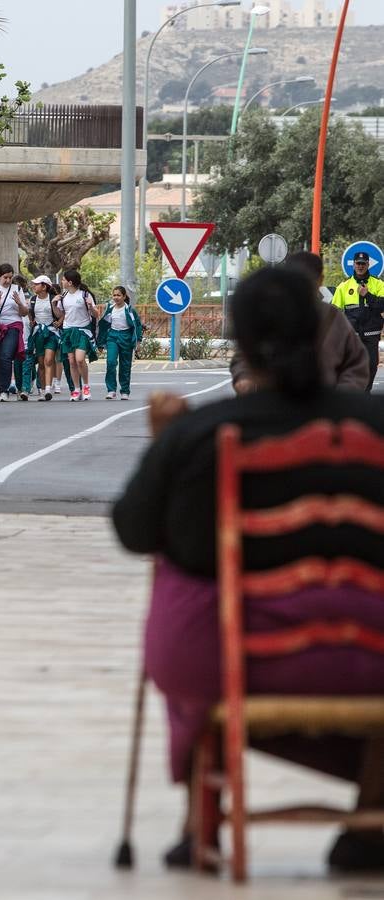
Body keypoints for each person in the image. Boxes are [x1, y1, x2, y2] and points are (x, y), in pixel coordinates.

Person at [113, 266, 384, 872]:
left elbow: (136, 532)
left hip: (235, 659)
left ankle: (202, 816)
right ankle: (372, 817)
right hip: (374, 656)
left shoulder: (203, 434)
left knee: (182, 580)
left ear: (238, 342)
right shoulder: (377, 430)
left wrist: (164, 446)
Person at [232, 252, 369, 394]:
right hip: (271, 404)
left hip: (322, 406)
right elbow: (244, 353)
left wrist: (340, 398)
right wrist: (244, 379)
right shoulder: (266, 310)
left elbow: (355, 364)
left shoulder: (332, 316)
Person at [332, 250, 384, 392]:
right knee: (352, 368)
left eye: (363, 263)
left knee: (371, 366)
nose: (360, 266)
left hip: (371, 335)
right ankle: (355, 396)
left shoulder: (378, 284)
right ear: (353, 265)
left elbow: (382, 304)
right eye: (358, 263)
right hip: (352, 336)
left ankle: (364, 394)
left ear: (368, 264)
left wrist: (367, 295)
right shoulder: (344, 286)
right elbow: (334, 311)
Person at [0, 264, 29, 402]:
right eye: (5, 277)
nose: (8, 280)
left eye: (10, 277)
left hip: (12, 326)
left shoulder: (18, 289)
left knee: (6, 356)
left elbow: (24, 313)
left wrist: (19, 303)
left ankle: (4, 390)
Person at [56, 268, 98, 401]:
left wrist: (91, 307)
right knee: (72, 361)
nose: (62, 282)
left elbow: (96, 315)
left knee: (80, 359)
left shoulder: (85, 295)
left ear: (70, 282)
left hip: (82, 330)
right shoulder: (63, 297)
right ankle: (76, 389)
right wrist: (53, 304)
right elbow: (60, 315)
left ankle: (86, 386)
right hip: (68, 331)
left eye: (63, 279)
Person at [97, 285, 142, 400]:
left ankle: (125, 391)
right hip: (112, 336)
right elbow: (103, 326)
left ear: (124, 296)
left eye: (118, 295)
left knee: (125, 365)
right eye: (114, 295)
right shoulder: (110, 309)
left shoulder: (130, 310)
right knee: (111, 362)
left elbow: (137, 326)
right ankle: (111, 390)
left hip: (126, 337)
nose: (116, 297)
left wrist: (138, 342)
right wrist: (100, 343)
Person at [25, 275, 62, 401]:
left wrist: (59, 321)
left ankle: (48, 389)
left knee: (48, 360)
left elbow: (61, 314)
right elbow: (30, 313)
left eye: (37, 284)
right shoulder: (33, 299)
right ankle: (41, 390)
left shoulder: (53, 299)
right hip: (38, 333)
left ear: (44, 286)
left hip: (51, 332)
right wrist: (32, 321)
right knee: (40, 363)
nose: (34, 286)